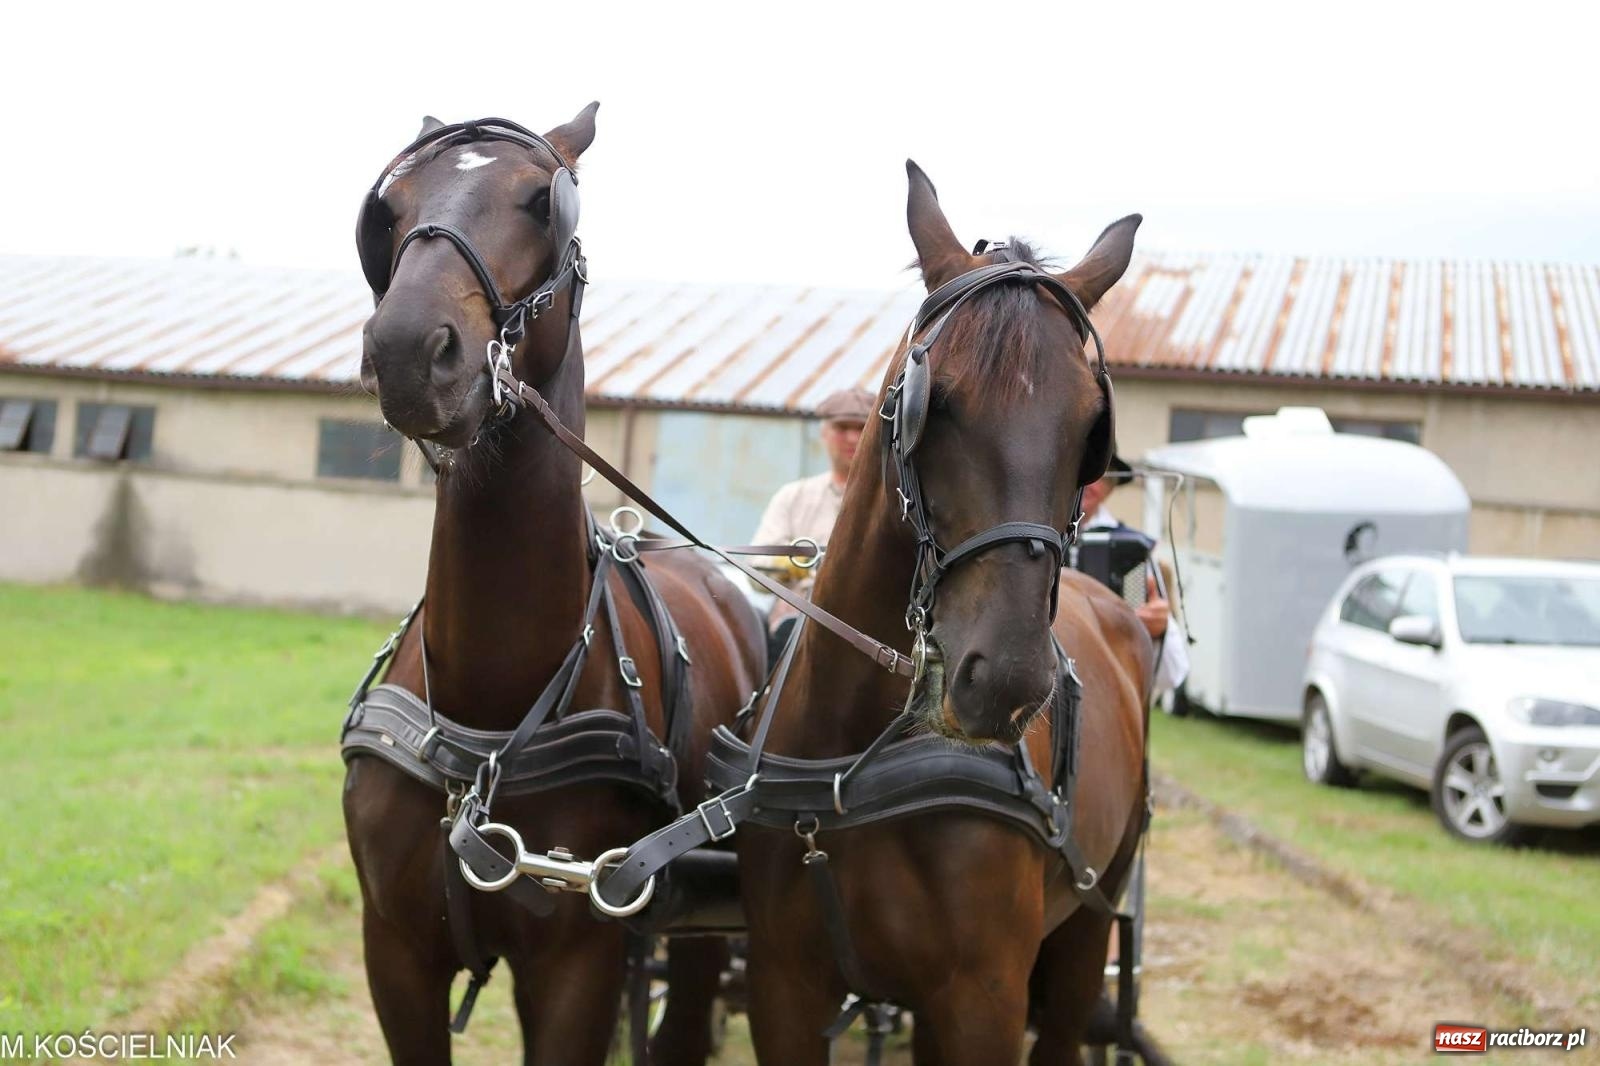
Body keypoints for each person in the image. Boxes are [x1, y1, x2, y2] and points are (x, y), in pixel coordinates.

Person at [750, 388, 874, 648]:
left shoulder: (897, 499)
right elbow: (755, 572)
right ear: (824, 433)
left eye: (862, 427)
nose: (852, 438)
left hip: (873, 637)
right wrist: (793, 562)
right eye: (842, 427)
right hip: (797, 634)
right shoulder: (794, 497)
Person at [1077, 455, 1190, 699]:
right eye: (1077, 467)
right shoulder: (1025, 538)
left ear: (1112, 486)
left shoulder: (1131, 551)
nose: (1086, 481)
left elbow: (1171, 674)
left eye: (1098, 472)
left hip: (1104, 695)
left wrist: (1157, 629)